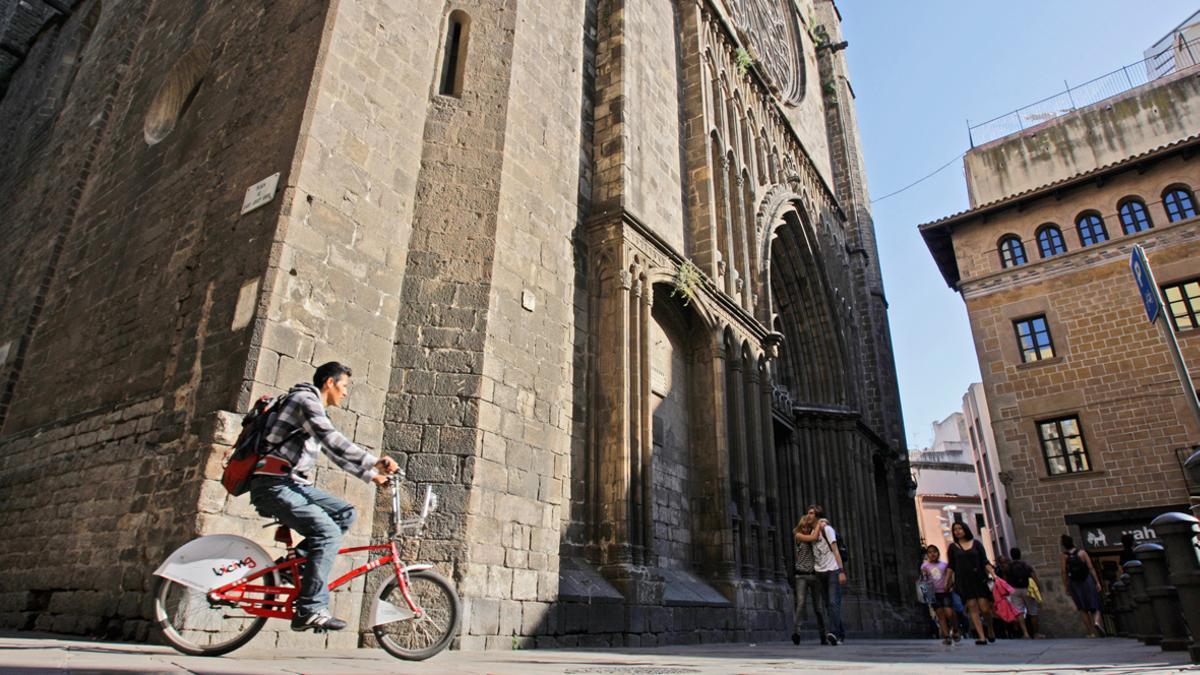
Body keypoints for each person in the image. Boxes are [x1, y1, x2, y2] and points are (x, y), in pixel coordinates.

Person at [249, 362, 399, 632]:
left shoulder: (311, 410)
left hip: (289, 482)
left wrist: (371, 476)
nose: (345, 393)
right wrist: (374, 461)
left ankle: (288, 568)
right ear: (329, 382)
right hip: (274, 484)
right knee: (328, 533)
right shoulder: (305, 400)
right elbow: (332, 439)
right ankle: (310, 608)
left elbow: (333, 454)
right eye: (344, 386)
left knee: (345, 513)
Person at [804, 504, 846, 645]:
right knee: (828, 604)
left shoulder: (827, 529)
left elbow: (835, 551)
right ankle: (840, 633)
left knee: (834, 602)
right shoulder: (812, 531)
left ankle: (833, 633)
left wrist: (841, 571)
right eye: (808, 513)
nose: (808, 515)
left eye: (811, 513)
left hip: (832, 570)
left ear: (817, 516)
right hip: (819, 571)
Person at [947, 521, 996, 645]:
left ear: (965, 529)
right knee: (973, 607)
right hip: (964, 581)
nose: (957, 531)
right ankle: (981, 637)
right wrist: (947, 581)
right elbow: (951, 566)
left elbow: (985, 561)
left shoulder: (977, 544)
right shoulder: (952, 548)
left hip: (979, 579)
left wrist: (994, 574)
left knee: (985, 608)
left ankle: (990, 629)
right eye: (955, 529)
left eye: (960, 528)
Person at [791, 513, 827, 644]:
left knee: (818, 607)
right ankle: (797, 632)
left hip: (815, 575)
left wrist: (822, 524)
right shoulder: (799, 536)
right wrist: (818, 523)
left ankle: (823, 634)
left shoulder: (815, 536)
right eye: (803, 527)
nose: (805, 529)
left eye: (807, 527)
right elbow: (813, 537)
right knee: (800, 604)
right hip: (801, 576)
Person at [1061, 534, 1105, 638]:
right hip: (1087, 580)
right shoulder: (1082, 553)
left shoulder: (1064, 556)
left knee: (1082, 608)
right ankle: (1097, 621)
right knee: (1096, 602)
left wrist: (1066, 586)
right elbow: (1091, 568)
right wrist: (1097, 582)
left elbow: (1063, 572)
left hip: (1074, 583)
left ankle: (1091, 633)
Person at [920, 544, 957, 645]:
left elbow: (951, 577)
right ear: (927, 554)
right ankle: (946, 636)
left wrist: (949, 585)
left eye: (934, 552)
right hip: (933, 593)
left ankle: (955, 629)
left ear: (938, 553)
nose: (932, 554)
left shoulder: (944, 565)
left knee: (949, 612)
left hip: (945, 592)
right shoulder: (924, 566)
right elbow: (924, 580)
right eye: (930, 552)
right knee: (940, 615)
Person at [1005, 547, 1040, 638]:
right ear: (1020, 554)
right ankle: (1036, 633)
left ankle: (1025, 633)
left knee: (1019, 612)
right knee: (1033, 611)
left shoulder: (1009, 566)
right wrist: (1038, 587)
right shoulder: (1026, 565)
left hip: (1014, 590)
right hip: (1027, 588)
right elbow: (1033, 576)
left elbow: (1006, 580)